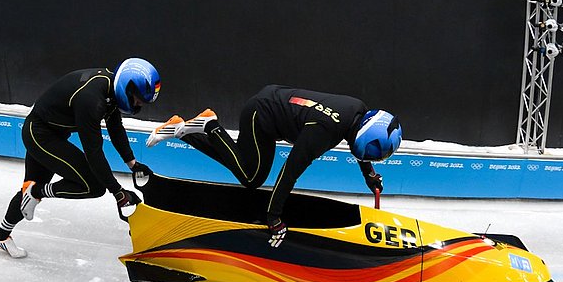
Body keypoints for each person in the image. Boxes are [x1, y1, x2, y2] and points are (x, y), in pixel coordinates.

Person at [148, 86, 402, 248]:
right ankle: (210, 126)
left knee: (247, 168)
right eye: (373, 151)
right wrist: (274, 217)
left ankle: (183, 129)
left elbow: (357, 140)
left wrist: (369, 175)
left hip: (272, 104)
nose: (370, 155)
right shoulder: (324, 132)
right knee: (251, 177)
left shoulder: (356, 111)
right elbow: (289, 172)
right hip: (262, 113)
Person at [0, 59, 161, 259]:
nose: (139, 104)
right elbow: (94, 152)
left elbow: (116, 129)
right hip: (40, 134)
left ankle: (0, 236)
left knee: (29, 192)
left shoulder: (109, 89)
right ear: (127, 87)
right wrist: (118, 192)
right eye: (138, 99)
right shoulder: (91, 99)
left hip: (50, 133)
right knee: (93, 185)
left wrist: (132, 164)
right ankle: (36, 191)